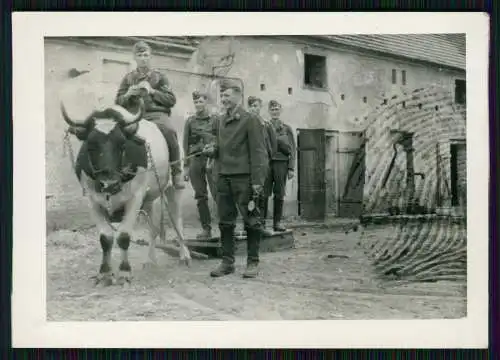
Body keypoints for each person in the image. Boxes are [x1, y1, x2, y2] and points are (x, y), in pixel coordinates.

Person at [203, 80, 268, 278]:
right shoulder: (220, 120)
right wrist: (212, 150)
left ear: (238, 97)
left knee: (251, 221)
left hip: (245, 179)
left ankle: (253, 262)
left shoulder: (251, 120)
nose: (223, 100)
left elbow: (259, 152)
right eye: (222, 96)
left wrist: (257, 181)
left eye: (227, 96)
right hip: (224, 177)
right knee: (225, 222)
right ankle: (227, 262)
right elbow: (220, 148)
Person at [115, 40, 185, 189]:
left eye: (146, 55)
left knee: (169, 130)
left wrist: (152, 91)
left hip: (156, 115)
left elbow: (171, 100)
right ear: (135, 58)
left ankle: (176, 172)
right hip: (134, 116)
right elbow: (118, 102)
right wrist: (127, 94)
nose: (143, 58)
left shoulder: (159, 77)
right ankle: (116, 171)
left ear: (150, 57)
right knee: (116, 134)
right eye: (140, 55)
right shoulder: (128, 79)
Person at [183, 90, 218, 240]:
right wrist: (186, 167)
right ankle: (206, 229)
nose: (198, 104)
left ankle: (226, 227)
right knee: (200, 196)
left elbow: (219, 139)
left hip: (211, 160)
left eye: (201, 101)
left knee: (218, 194)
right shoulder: (190, 121)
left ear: (206, 103)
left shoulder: (215, 120)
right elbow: (185, 144)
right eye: (196, 102)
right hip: (195, 160)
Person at [247, 96, 277, 237]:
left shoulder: (266, 125)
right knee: (249, 196)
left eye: (256, 106)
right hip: (248, 164)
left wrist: (266, 159)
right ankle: (251, 226)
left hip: (262, 164)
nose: (254, 108)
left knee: (262, 195)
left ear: (260, 107)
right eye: (251, 106)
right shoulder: (245, 123)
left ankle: (262, 225)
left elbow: (273, 145)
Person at [267, 100, 296, 232]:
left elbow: (292, 149)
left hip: (281, 163)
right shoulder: (265, 126)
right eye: (272, 109)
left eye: (277, 109)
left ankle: (277, 222)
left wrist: (291, 168)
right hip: (267, 163)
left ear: (280, 110)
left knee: (279, 193)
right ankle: (261, 223)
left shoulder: (286, 128)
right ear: (269, 111)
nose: (275, 112)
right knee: (263, 193)